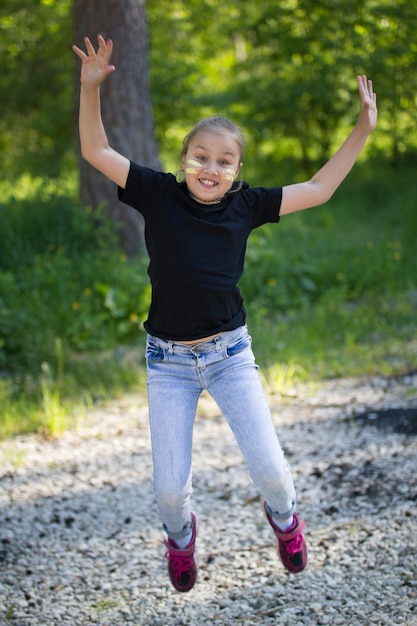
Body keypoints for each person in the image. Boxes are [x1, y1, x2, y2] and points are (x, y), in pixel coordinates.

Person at [72, 35, 377, 593]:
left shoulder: (247, 204)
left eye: (224, 161)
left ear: (237, 171)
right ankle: (181, 538)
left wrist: (363, 129)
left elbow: (320, 186)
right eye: (201, 156)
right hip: (168, 363)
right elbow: (97, 152)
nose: (211, 168)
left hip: (230, 355)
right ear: (184, 158)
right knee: (168, 491)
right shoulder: (158, 193)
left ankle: (286, 522)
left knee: (273, 475)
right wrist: (91, 89)